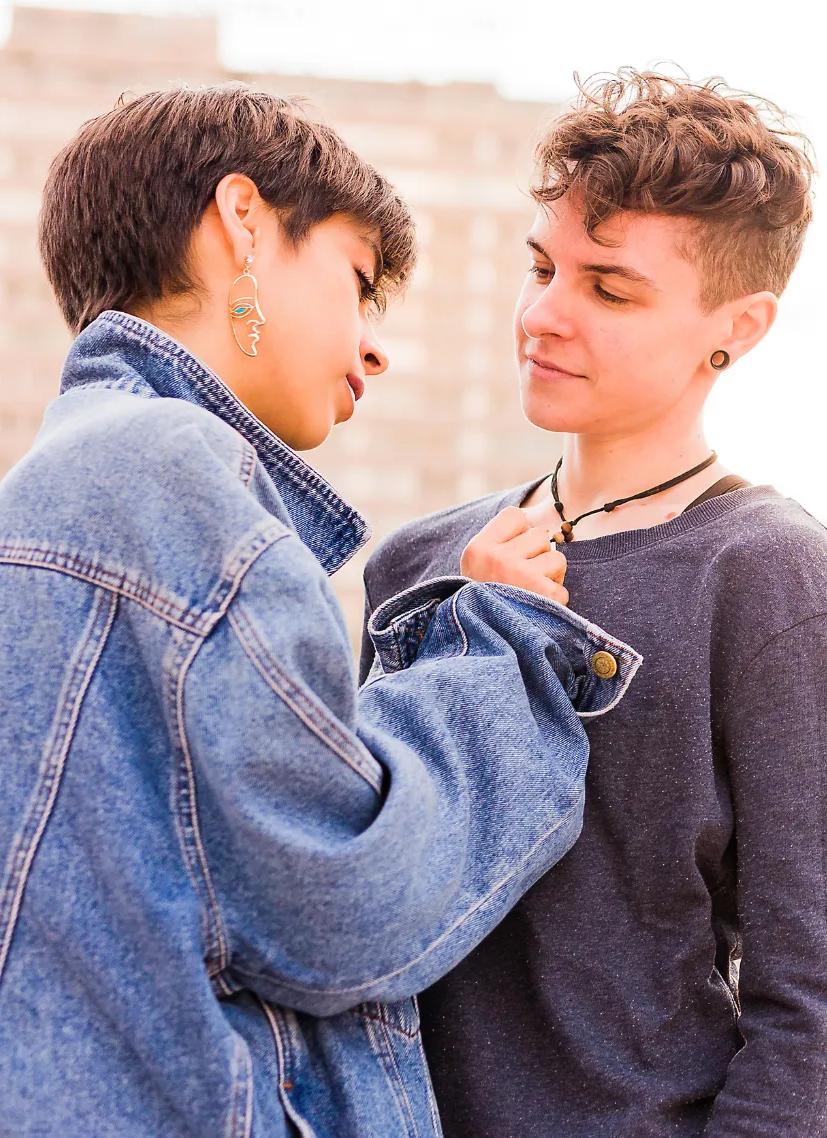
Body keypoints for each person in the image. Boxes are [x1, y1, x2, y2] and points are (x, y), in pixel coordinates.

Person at [0, 85, 642, 1138]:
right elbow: (343, 895)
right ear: (241, 221)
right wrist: (499, 645)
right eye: (357, 282)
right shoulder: (171, 468)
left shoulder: (57, 485)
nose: (372, 349)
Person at [361, 71, 824, 1136]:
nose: (543, 315)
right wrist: (470, 639)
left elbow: (806, 1003)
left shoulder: (768, 577)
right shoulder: (420, 565)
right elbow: (360, 891)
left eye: (609, 289)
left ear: (738, 327)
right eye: (541, 268)